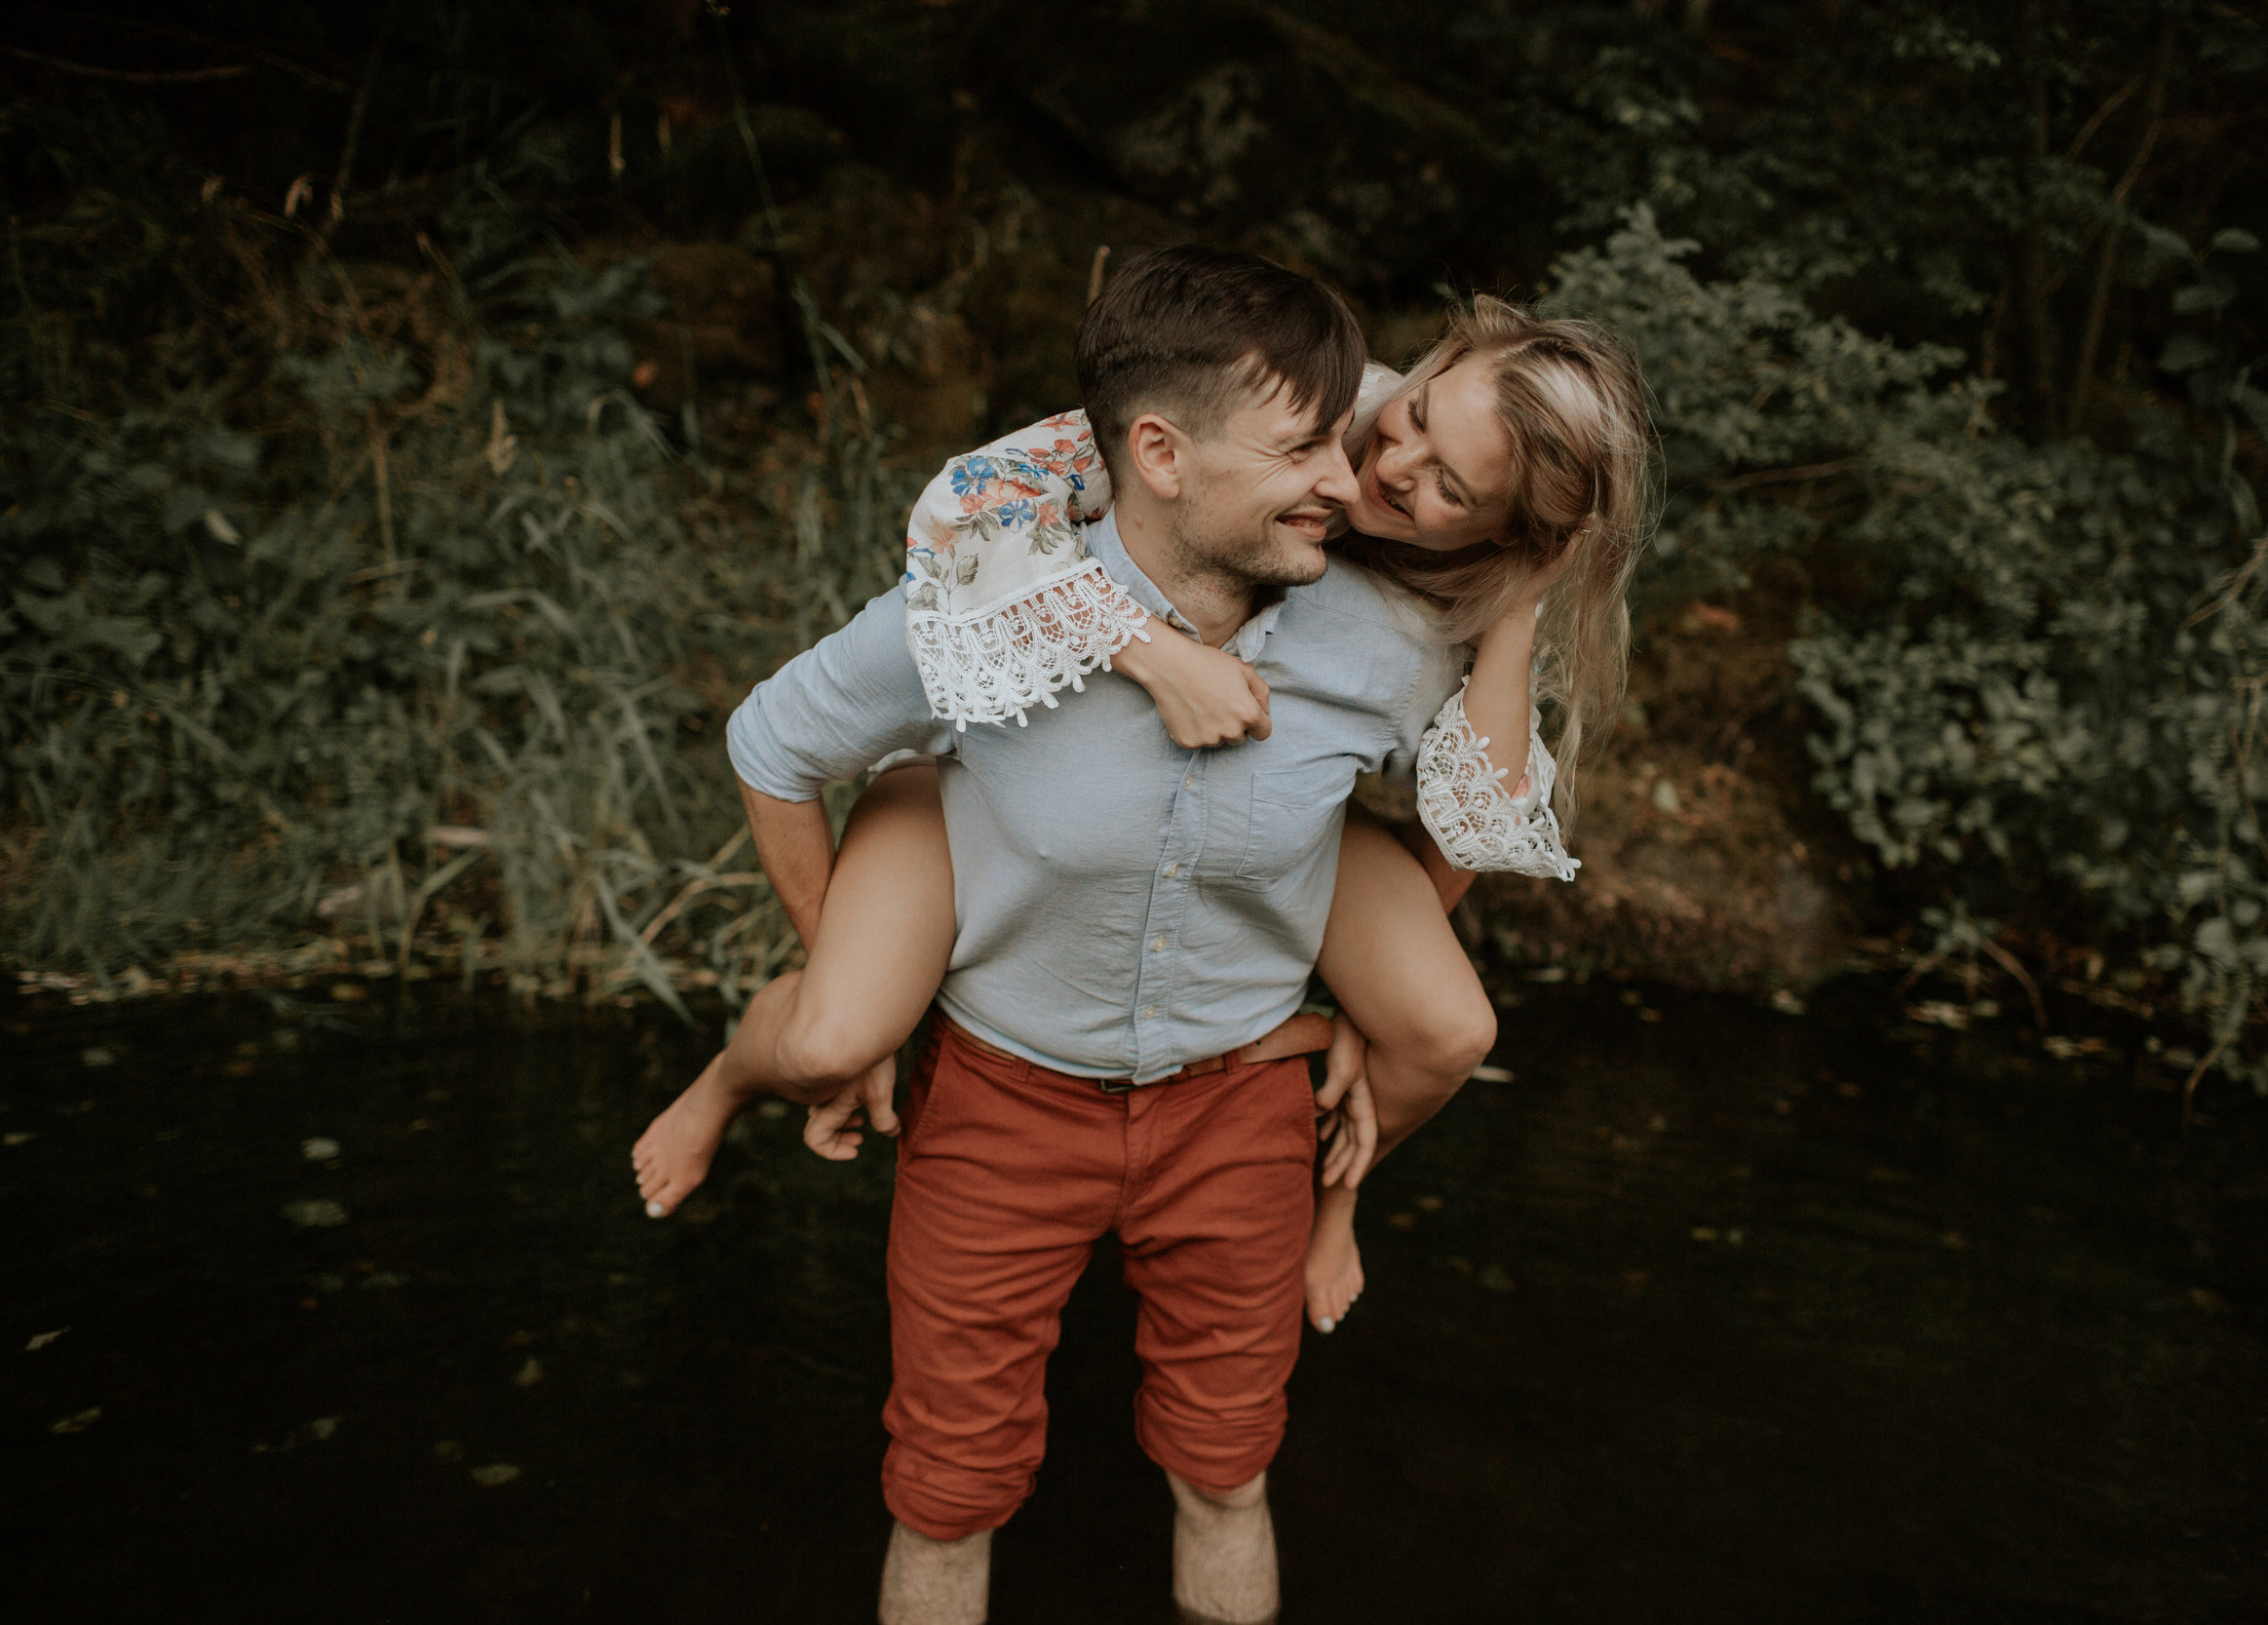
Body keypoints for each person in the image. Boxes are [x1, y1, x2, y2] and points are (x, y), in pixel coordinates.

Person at [632, 288, 1654, 1341]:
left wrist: (1519, 606)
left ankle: (1337, 1197)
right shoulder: (1290, 405)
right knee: (830, 1034)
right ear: (1433, 364)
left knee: (1444, 1029)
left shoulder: (1443, 602)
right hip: (1019, 749)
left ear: (1503, 529)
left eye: (1452, 488)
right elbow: (961, 503)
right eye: (1422, 422)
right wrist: (1150, 649)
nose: (1393, 471)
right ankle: (726, 1080)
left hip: (1281, 800)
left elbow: (1475, 816)